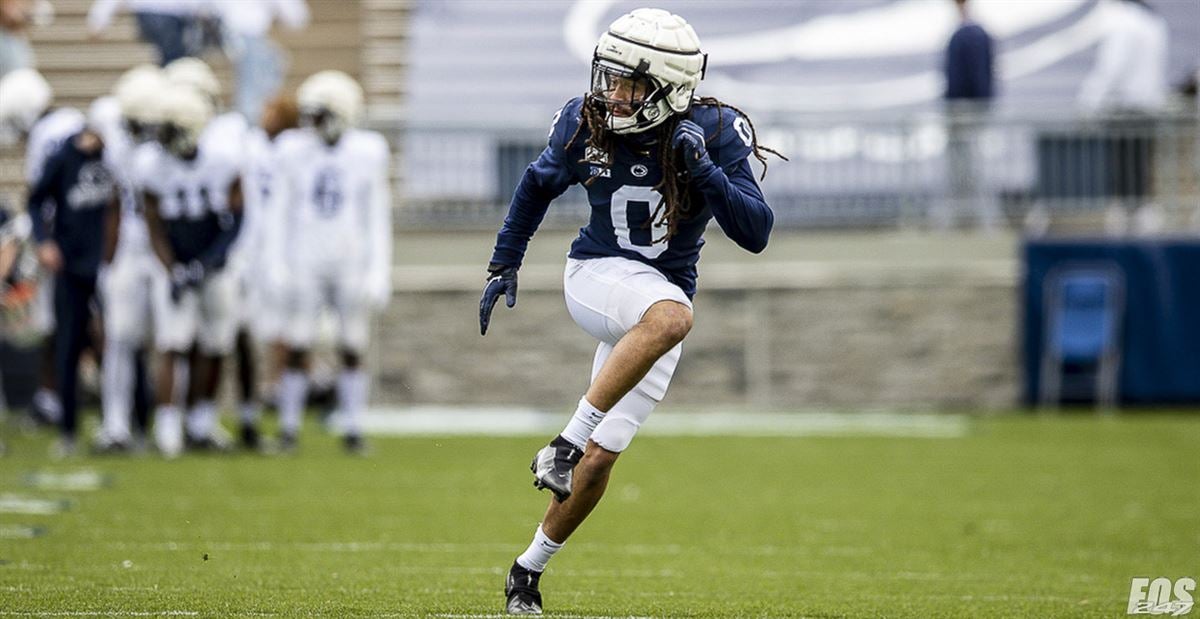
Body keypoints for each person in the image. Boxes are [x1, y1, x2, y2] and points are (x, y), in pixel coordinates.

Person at [478, 8, 781, 615]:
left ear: (667, 87)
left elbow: (756, 232)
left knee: (601, 459)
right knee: (672, 319)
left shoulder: (714, 130)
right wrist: (503, 261)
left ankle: (525, 572)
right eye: (609, 76)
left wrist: (707, 171)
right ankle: (563, 443)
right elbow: (537, 185)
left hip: (659, 296)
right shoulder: (585, 119)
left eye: (629, 82)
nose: (611, 93)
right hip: (595, 276)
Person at [270, 70, 391, 455]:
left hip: (349, 258)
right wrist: (278, 261)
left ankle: (353, 427)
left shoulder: (368, 150)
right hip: (306, 255)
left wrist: (378, 270)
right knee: (298, 341)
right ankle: (288, 428)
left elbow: (376, 214)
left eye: (319, 115)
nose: (310, 124)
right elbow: (280, 210)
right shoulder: (292, 150)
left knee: (352, 343)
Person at [137, 85, 242, 457]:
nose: (164, 139)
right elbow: (153, 225)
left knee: (216, 344)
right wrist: (174, 269)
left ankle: (201, 420)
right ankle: (167, 425)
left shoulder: (224, 161)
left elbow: (236, 221)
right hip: (175, 265)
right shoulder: (151, 165)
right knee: (172, 343)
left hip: (214, 265)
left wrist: (207, 263)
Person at [0, 68, 86, 429]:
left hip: (66, 240)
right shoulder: (74, 121)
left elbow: (41, 199)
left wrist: (43, 240)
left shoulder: (47, 134)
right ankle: (57, 399)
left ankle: (59, 399)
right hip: (83, 237)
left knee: (67, 322)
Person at [88, 65, 168, 452]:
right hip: (130, 251)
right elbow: (115, 205)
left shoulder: (170, 144)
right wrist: (109, 261)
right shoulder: (118, 141)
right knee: (119, 337)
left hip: (164, 251)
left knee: (170, 338)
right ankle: (114, 423)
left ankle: (171, 426)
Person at [27, 124, 116, 457]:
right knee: (68, 345)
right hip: (72, 264)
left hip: (110, 264)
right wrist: (44, 242)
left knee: (120, 345)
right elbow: (35, 201)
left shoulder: (115, 158)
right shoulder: (64, 158)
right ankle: (68, 429)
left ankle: (123, 424)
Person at [229, 94, 299, 450]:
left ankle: (287, 418)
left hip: (283, 253)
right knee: (244, 334)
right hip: (247, 251)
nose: (264, 115)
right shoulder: (248, 145)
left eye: (272, 110)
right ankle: (248, 417)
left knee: (286, 336)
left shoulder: (297, 148)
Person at [940, 0, 997, 231]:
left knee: (970, 167)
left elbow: (975, 77)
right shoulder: (971, 33)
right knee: (963, 168)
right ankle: (968, 220)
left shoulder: (969, 34)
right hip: (968, 108)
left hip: (966, 110)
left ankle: (982, 221)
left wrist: (974, 104)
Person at [215, 0, 309, 124]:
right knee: (251, 86)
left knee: (275, 62)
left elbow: (297, 18)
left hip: (239, 34)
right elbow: (297, 17)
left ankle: (256, 116)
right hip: (245, 34)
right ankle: (250, 120)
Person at [88, 0, 199, 66]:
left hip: (175, 15)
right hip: (162, 14)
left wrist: (98, 21)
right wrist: (98, 20)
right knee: (173, 59)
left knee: (174, 58)